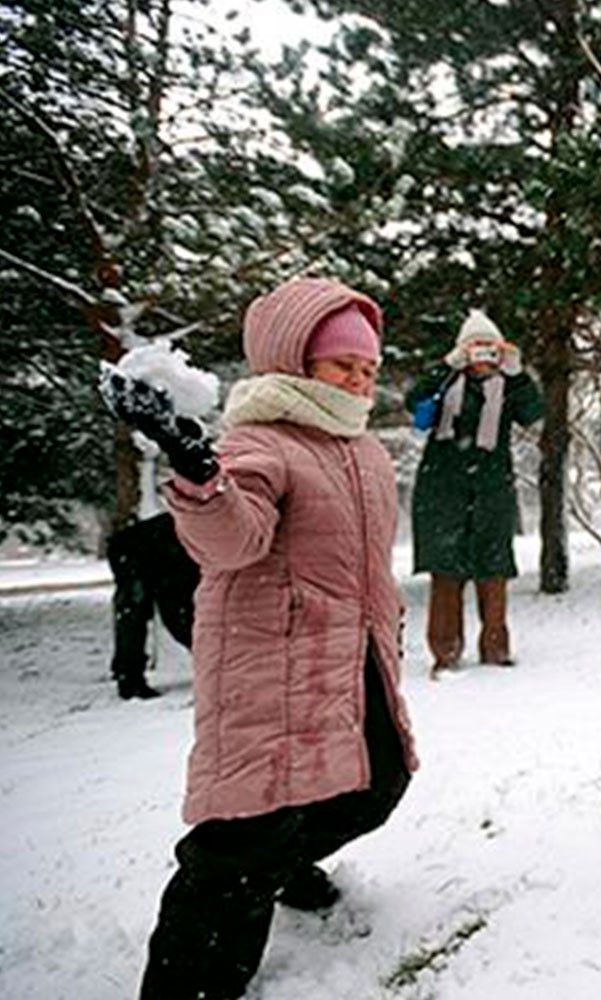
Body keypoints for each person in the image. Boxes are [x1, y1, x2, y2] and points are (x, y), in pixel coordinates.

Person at [104, 276, 419, 1000]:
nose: (360, 377)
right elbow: (230, 542)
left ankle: (280, 868)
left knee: (376, 784)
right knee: (241, 843)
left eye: (368, 366)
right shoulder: (261, 442)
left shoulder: (364, 452)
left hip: (352, 660)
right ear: (293, 362)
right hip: (269, 668)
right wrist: (197, 471)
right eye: (343, 364)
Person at [406, 308, 543, 676]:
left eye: (490, 350)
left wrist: (517, 373)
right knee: (446, 573)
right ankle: (445, 653)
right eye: (475, 349)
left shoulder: (508, 387)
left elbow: (533, 412)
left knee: (493, 570)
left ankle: (496, 650)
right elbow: (413, 402)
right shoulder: (446, 382)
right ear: (463, 351)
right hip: (442, 490)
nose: (483, 359)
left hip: (491, 490)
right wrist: (445, 366)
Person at [107, 511, 198, 700]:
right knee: (135, 612)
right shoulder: (191, 549)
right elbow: (179, 616)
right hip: (137, 551)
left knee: (136, 613)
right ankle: (129, 680)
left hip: (150, 550)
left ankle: (125, 671)